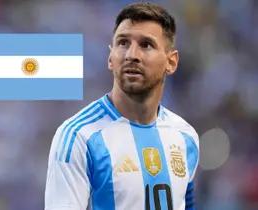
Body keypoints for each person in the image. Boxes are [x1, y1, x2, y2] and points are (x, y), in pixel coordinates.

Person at [45, 2, 199, 210]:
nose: (131, 55)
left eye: (146, 45)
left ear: (171, 62)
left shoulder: (185, 136)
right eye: (123, 43)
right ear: (110, 58)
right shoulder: (79, 136)